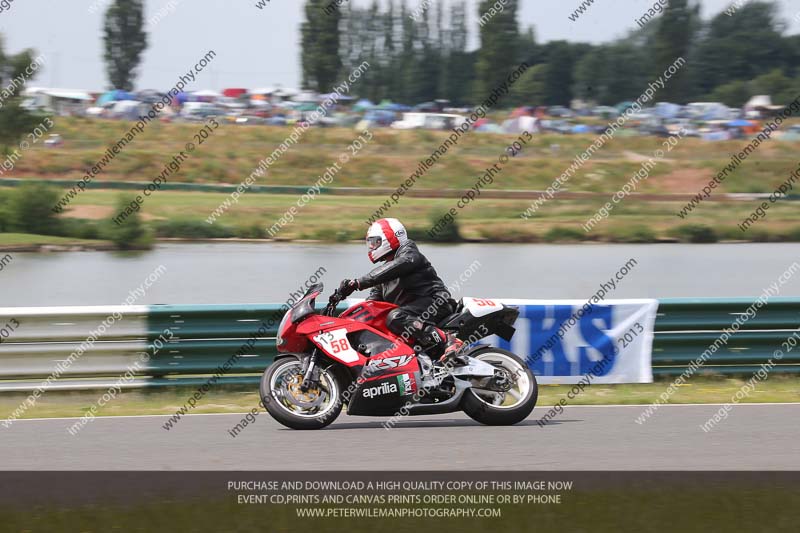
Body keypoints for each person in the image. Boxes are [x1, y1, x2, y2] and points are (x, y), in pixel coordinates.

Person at [338, 218, 463, 362]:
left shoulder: (409, 254)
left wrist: (357, 283)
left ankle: (449, 340)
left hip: (436, 302)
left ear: (390, 238)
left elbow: (397, 266)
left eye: (375, 242)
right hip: (413, 312)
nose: (372, 246)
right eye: (370, 243)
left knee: (396, 317)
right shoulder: (385, 273)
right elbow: (372, 305)